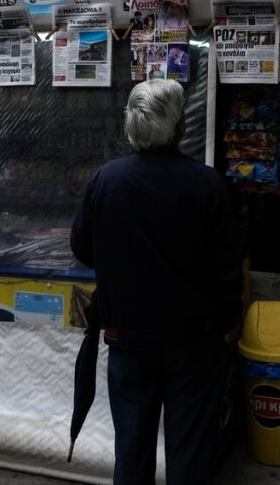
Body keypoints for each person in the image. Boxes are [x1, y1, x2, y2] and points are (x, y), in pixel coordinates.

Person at [71, 79, 242, 484]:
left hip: (128, 341)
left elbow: (83, 248)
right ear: (179, 127)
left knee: (131, 450)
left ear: (132, 126)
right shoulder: (207, 184)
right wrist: (227, 323)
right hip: (195, 344)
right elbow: (227, 267)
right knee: (190, 454)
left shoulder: (106, 181)